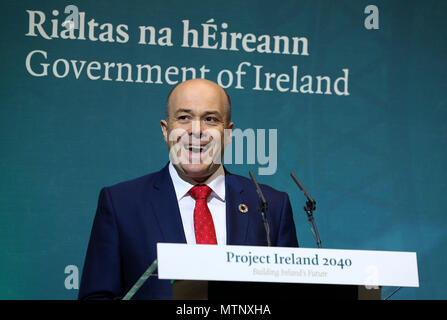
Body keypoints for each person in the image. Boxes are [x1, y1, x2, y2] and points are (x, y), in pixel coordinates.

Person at [78, 79, 298, 300]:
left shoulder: (271, 206)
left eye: (210, 119)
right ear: (166, 130)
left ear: (228, 133)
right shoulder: (122, 204)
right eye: (184, 118)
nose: (196, 130)